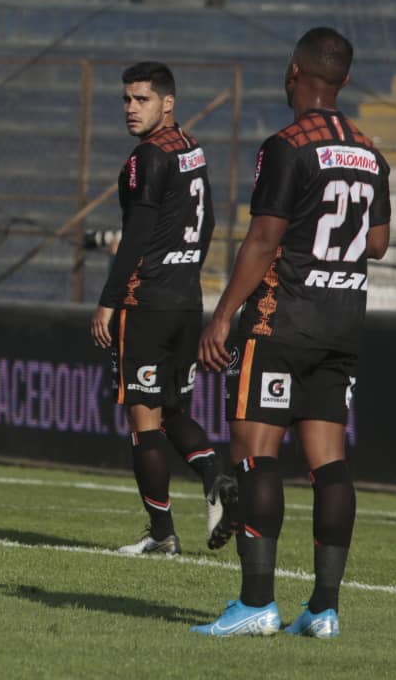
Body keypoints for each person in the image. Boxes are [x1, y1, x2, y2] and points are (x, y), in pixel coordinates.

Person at [192, 28, 390, 638]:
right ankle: (324, 610)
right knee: (329, 462)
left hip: (282, 320)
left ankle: (257, 603)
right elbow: (377, 243)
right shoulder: (370, 150)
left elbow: (263, 239)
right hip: (342, 322)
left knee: (257, 452)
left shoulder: (286, 145)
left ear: (293, 71)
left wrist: (222, 315)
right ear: (345, 80)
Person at [88, 62, 236, 559]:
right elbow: (208, 223)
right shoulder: (191, 148)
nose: (131, 108)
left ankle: (162, 533)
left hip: (146, 302)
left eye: (142, 99)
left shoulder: (147, 157)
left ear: (167, 103)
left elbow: (136, 236)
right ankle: (215, 477)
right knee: (172, 409)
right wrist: (186, 270)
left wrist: (109, 301)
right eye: (126, 99)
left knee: (144, 420)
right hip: (186, 300)